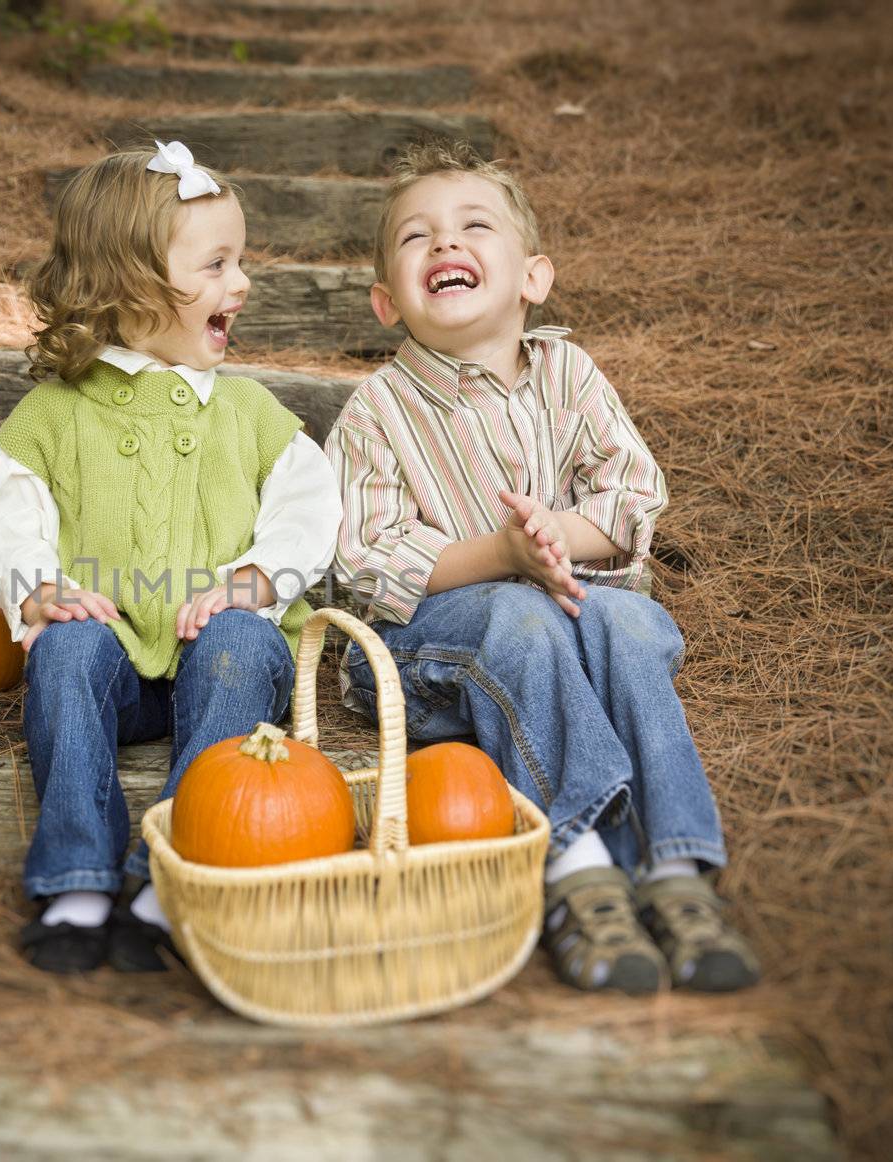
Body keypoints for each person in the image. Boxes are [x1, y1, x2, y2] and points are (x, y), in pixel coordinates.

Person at [325, 139, 759, 994]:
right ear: (386, 301)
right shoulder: (376, 411)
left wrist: (559, 535)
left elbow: (634, 492)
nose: (446, 244)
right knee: (519, 616)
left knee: (628, 620)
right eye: (418, 238)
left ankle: (676, 875)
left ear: (533, 277)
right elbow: (365, 559)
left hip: (575, 615)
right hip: (430, 653)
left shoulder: (571, 375)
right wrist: (504, 555)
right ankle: (580, 873)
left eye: (474, 226)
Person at [0, 141, 342, 975]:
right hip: (119, 666)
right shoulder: (51, 418)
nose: (239, 284)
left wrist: (259, 578)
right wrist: (38, 591)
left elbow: (312, 508)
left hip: (225, 662)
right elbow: (4, 531)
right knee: (64, 651)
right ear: (128, 286)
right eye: (214, 265)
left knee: (244, 640)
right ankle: (77, 880)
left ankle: (168, 875)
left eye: (239, 261)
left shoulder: (249, 412)